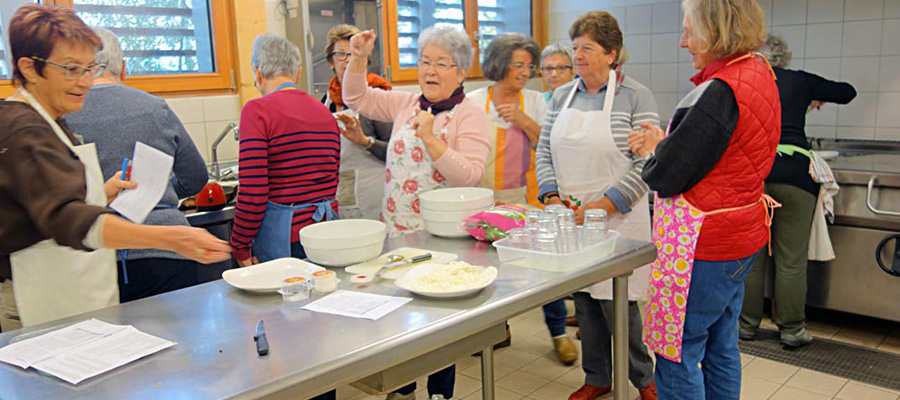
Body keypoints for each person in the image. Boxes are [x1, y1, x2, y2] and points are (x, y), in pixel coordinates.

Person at [0, 3, 229, 332]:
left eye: (88, 68)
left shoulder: (51, 119)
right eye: (71, 69)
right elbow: (67, 218)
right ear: (30, 68)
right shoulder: (24, 130)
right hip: (36, 298)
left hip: (70, 292)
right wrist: (169, 237)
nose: (85, 82)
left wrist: (101, 193)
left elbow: (41, 204)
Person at [627, 0, 780, 398]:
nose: (683, 42)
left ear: (717, 32)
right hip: (739, 238)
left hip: (703, 246)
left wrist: (653, 148)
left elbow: (666, 176)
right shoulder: (759, 71)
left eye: (689, 32)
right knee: (721, 346)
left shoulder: (719, 92)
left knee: (677, 354)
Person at [343, 26, 491, 400]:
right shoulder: (406, 103)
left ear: (461, 71)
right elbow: (356, 96)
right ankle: (403, 389)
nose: (430, 70)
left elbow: (470, 176)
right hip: (397, 235)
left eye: (441, 63)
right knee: (399, 315)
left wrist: (430, 137)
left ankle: (440, 393)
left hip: (441, 241)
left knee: (439, 321)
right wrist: (359, 57)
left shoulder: (470, 114)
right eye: (425, 61)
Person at [534, 11, 659, 400]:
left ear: (611, 53)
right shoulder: (561, 97)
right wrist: (553, 198)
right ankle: (598, 377)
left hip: (618, 219)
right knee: (586, 303)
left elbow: (646, 163)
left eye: (587, 48)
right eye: (575, 47)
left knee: (620, 307)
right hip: (571, 219)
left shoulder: (635, 96)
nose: (578, 56)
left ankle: (644, 379)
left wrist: (605, 205)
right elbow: (543, 152)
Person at [66, 27, 209, 303]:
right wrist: (159, 191)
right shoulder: (156, 108)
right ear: (123, 68)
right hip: (168, 249)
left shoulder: (65, 116)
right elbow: (195, 177)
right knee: (178, 330)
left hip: (98, 254)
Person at [467, 33, 578, 365]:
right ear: (499, 64)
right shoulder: (474, 101)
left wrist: (523, 120)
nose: (525, 72)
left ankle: (558, 333)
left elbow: (551, 146)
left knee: (545, 269)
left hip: (528, 199)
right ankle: (497, 329)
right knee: (489, 269)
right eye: (518, 65)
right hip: (485, 201)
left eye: (529, 66)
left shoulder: (537, 101)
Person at [739, 34, 856, 348]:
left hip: (756, 175)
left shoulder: (744, 83)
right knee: (791, 260)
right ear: (783, 57)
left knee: (752, 257)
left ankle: (745, 325)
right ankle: (792, 330)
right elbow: (848, 92)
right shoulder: (800, 80)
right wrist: (812, 95)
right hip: (795, 176)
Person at [229, 33, 341, 267]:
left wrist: (239, 245)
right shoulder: (324, 113)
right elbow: (332, 179)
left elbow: (253, 192)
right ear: (297, 73)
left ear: (257, 72)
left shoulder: (257, 111)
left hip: (286, 241)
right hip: (327, 235)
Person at [321, 24, 394, 220]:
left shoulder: (377, 99)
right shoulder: (326, 102)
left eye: (353, 54)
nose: (347, 60)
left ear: (364, 60)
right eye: (341, 54)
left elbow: (396, 152)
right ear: (331, 61)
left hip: (375, 200)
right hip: (341, 197)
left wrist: (366, 142)